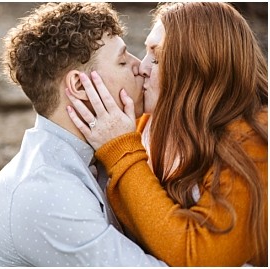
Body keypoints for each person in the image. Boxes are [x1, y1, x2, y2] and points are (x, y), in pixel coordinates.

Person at [65, 2, 267, 266]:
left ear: (198, 68)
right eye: (146, 52)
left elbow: (203, 257)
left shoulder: (254, 141)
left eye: (157, 58)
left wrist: (122, 151)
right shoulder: (148, 122)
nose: (142, 67)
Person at [0, 2, 165, 266]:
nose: (141, 67)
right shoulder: (46, 192)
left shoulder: (96, 152)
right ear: (80, 86)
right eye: (123, 61)